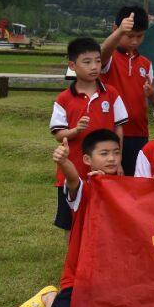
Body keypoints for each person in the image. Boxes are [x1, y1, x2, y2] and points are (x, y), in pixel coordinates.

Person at [14, 129, 122, 307]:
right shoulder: (84, 188)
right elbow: (73, 179)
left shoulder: (128, 187)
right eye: (104, 153)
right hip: (81, 277)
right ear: (87, 159)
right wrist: (64, 162)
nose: (111, 158)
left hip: (117, 277)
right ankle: (50, 296)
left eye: (116, 153)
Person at [49, 37, 127, 232]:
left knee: (105, 220)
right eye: (87, 62)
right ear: (72, 66)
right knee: (71, 222)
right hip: (72, 170)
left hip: (105, 171)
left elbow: (119, 128)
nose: (94, 66)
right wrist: (76, 130)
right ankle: (73, 260)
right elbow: (59, 135)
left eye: (98, 61)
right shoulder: (64, 99)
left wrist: (118, 160)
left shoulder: (111, 93)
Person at [99, 6, 154, 176]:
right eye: (130, 36)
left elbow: (151, 99)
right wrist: (119, 33)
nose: (135, 41)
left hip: (139, 133)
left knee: (134, 183)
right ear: (115, 29)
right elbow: (100, 56)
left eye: (140, 36)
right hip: (111, 132)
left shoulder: (146, 63)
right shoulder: (110, 58)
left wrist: (151, 95)